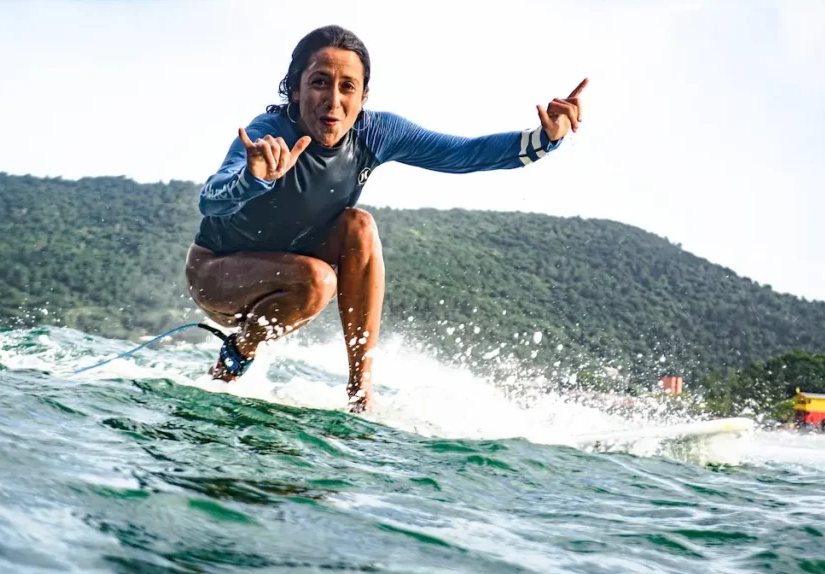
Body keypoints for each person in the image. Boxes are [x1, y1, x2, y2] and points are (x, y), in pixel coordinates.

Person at [186, 25, 586, 412]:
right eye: (320, 82)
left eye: (348, 87)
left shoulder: (375, 133)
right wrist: (251, 177)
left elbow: (465, 154)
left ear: (363, 97)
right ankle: (237, 356)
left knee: (359, 226)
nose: (333, 100)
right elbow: (211, 201)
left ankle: (360, 395)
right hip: (220, 272)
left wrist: (545, 138)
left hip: (299, 262)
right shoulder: (270, 133)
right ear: (295, 89)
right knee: (316, 280)